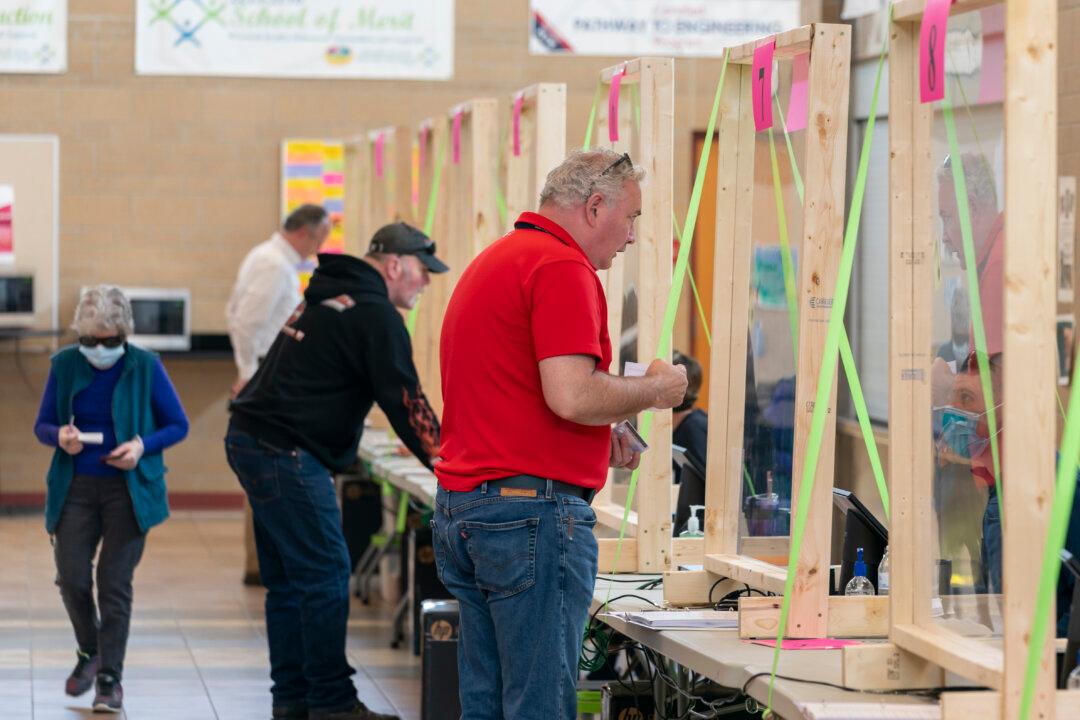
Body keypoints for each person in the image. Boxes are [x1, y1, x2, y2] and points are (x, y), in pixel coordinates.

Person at [433, 149, 688, 720]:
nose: (628, 239)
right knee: (538, 706)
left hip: (469, 509)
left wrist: (603, 430)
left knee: (489, 702)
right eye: (632, 219)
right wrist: (654, 390)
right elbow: (572, 394)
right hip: (527, 517)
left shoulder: (500, 259)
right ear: (596, 207)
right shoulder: (560, 267)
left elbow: (525, 391)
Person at [225, 222, 447, 720]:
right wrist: (450, 465)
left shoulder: (328, 295)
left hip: (252, 440)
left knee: (288, 582)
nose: (426, 282)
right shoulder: (374, 314)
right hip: (284, 452)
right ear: (395, 265)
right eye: (422, 271)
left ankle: (293, 700)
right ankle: (330, 702)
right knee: (326, 575)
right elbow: (405, 400)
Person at [33, 285, 189, 713]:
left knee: (114, 585)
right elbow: (43, 425)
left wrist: (141, 446)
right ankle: (90, 649)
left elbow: (178, 425)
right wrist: (60, 436)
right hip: (76, 488)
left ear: (125, 334)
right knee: (72, 579)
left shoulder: (145, 366)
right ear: (78, 335)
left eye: (110, 341)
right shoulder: (64, 365)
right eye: (89, 341)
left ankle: (109, 679)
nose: (99, 349)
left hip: (129, 491)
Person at [226, 203, 331, 586]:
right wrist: (249, 377)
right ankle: (261, 563)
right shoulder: (274, 264)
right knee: (267, 473)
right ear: (306, 232)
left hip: (263, 378)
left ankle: (262, 561)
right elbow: (246, 322)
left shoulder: (269, 258)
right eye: (320, 239)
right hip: (265, 382)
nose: (318, 247)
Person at [931, 152, 1004, 594]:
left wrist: (946, 388)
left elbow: (998, 399)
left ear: (974, 207)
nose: (946, 238)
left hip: (1010, 492)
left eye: (947, 218)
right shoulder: (992, 264)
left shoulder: (997, 270)